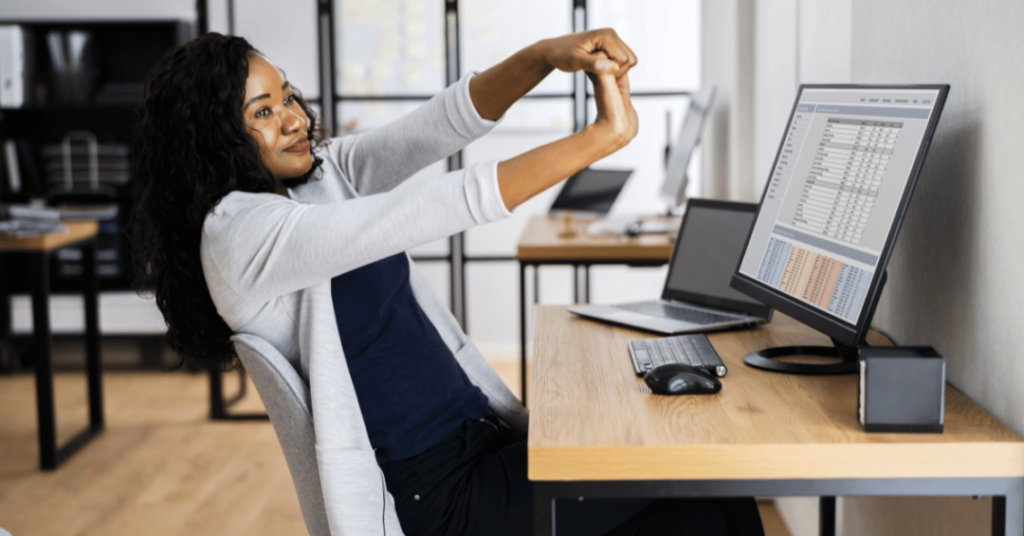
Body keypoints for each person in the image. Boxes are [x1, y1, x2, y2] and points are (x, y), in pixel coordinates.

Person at [130, 31, 764, 536]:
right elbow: (434, 206)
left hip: (478, 445)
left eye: (288, 96)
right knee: (701, 476)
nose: (293, 118)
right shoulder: (239, 234)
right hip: (440, 500)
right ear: (212, 138)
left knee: (706, 502)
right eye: (261, 111)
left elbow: (442, 124)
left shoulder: (315, 179)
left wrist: (546, 55)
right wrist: (600, 140)